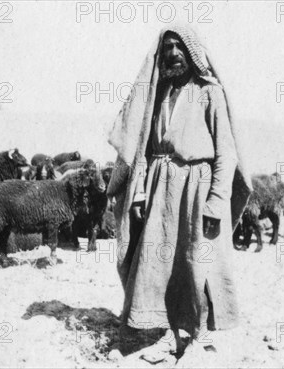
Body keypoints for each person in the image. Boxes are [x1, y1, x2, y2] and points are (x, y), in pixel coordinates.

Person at [107, 25, 252, 360]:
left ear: (191, 52)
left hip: (197, 186)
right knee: (160, 265)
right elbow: (144, 149)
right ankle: (169, 334)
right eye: (167, 47)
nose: (172, 53)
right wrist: (140, 190)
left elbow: (226, 153)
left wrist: (217, 200)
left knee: (198, 264)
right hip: (160, 187)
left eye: (179, 46)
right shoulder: (158, 96)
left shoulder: (209, 92)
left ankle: (200, 337)